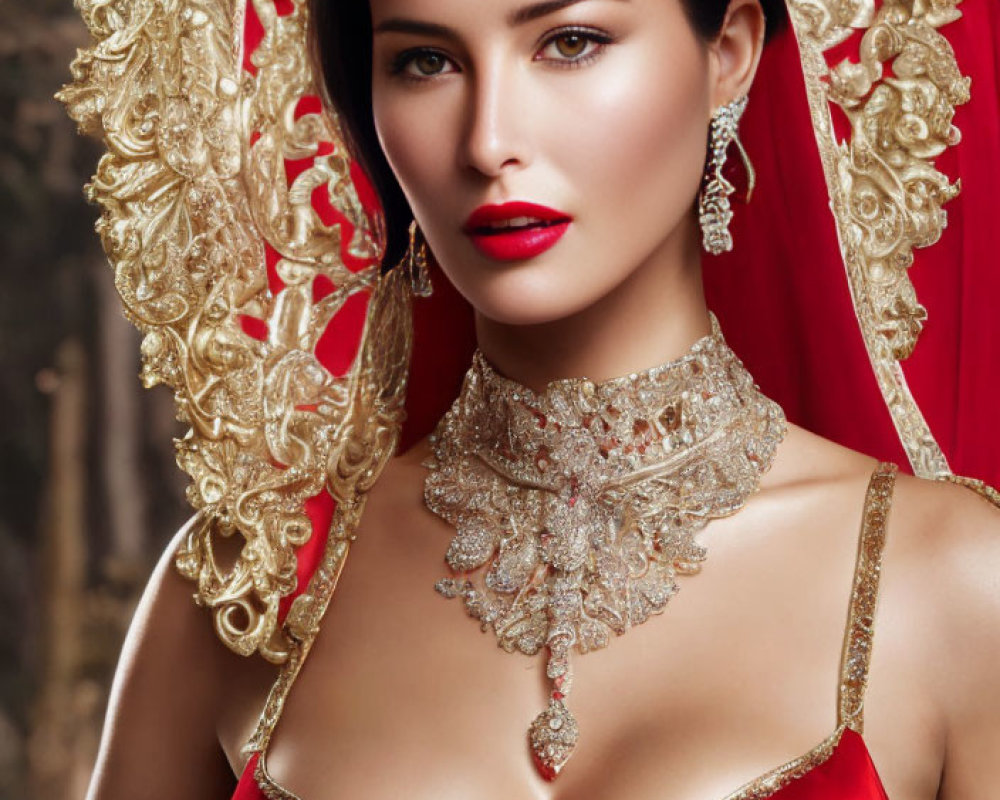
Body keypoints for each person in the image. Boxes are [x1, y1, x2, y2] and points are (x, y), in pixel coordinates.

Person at [61, 0, 1000, 798]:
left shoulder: (953, 582)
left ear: (728, 56)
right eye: (424, 61)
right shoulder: (247, 591)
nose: (489, 141)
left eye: (569, 42)